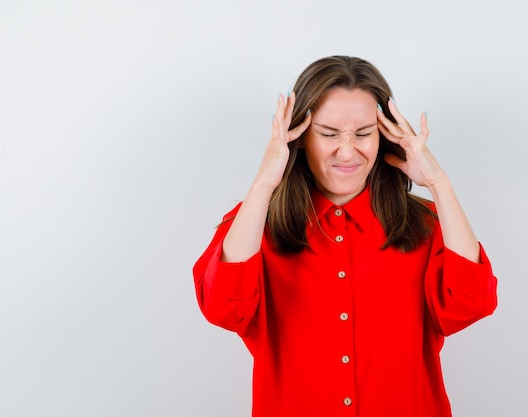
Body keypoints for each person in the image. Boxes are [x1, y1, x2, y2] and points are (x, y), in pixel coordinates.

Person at [193, 55, 497, 417]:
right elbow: (222, 308)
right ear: (300, 136)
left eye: (364, 133)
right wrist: (264, 181)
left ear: (384, 135)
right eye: (329, 134)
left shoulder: (426, 223)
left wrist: (438, 183)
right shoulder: (255, 223)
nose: (348, 151)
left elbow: (472, 304)